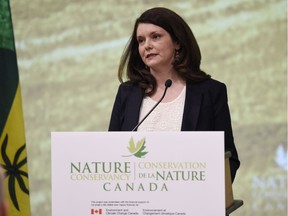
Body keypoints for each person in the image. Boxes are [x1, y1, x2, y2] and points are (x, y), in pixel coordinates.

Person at [108, 7, 240, 182]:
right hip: (137, 204)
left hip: (191, 203)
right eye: (141, 40)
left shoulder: (210, 92)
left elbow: (228, 159)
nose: (146, 45)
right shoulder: (127, 93)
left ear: (177, 42)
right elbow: (110, 157)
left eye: (155, 36)